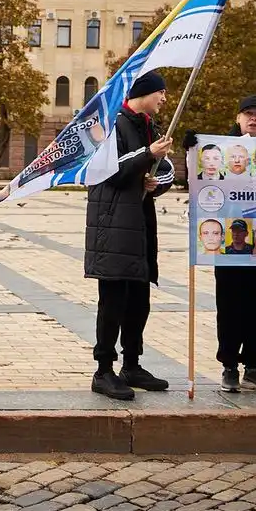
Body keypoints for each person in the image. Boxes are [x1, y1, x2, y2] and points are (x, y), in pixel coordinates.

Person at [83, 73, 173, 401]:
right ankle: (103, 370)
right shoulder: (111, 124)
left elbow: (160, 172)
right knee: (113, 302)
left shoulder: (148, 126)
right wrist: (147, 154)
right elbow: (111, 171)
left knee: (139, 301)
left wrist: (156, 182)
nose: (164, 98)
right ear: (144, 92)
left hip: (140, 224)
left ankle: (132, 365)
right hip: (113, 227)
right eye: (160, 92)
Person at [213, 95, 256, 394]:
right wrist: (192, 150)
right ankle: (229, 365)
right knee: (230, 306)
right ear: (238, 118)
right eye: (248, 114)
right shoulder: (217, 150)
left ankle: (255, 366)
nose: (253, 119)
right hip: (232, 243)